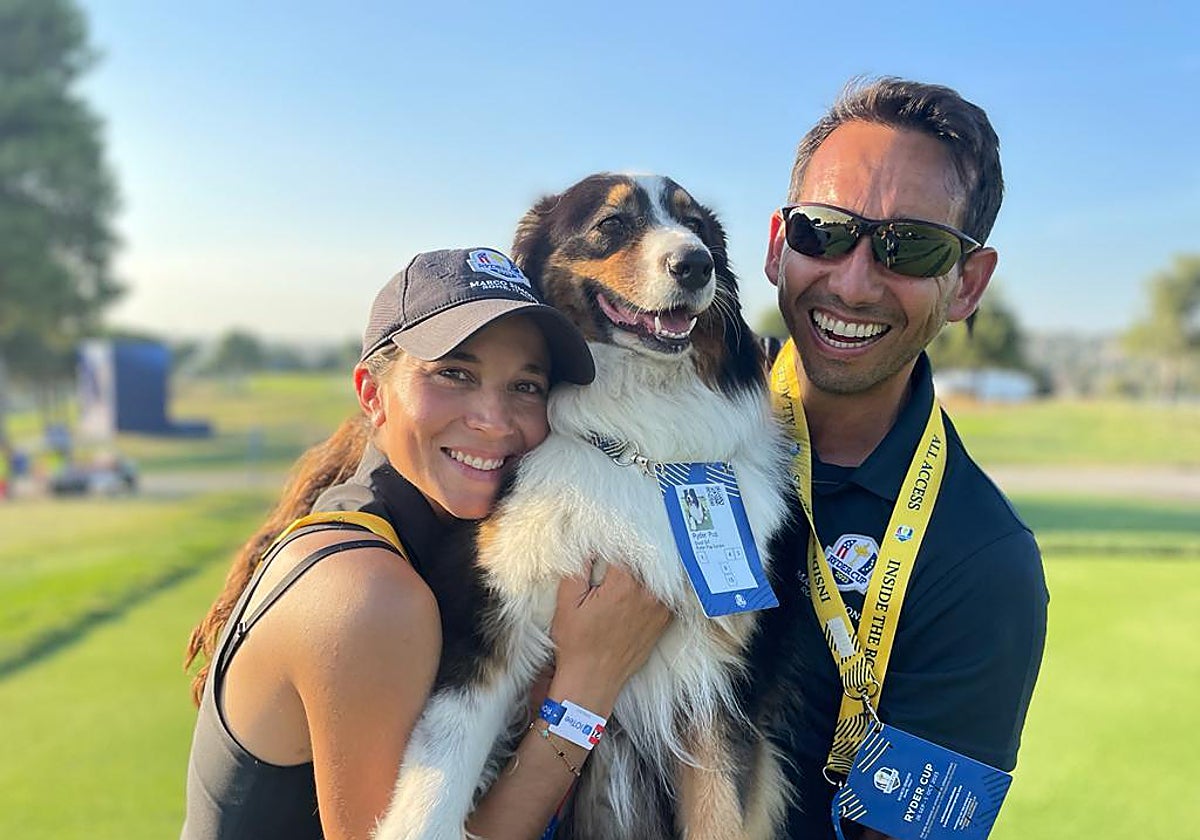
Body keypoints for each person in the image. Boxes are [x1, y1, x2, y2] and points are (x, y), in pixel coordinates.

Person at [181, 248, 672, 839]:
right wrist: (587, 689)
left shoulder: (427, 537)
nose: (494, 419)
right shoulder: (367, 597)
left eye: (525, 385)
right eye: (454, 374)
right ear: (371, 392)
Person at [752, 78, 1049, 839]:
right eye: (824, 231)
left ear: (967, 286)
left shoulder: (983, 560)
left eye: (910, 247)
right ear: (779, 244)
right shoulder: (655, 416)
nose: (853, 283)